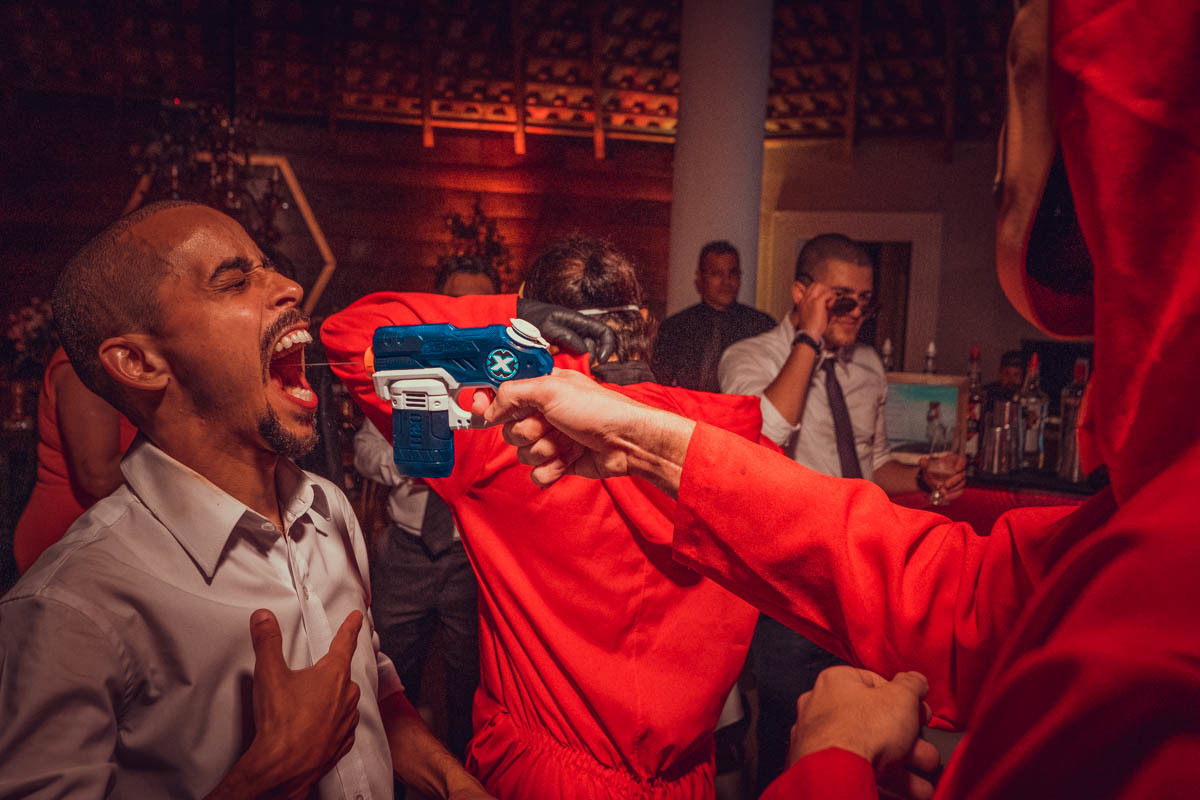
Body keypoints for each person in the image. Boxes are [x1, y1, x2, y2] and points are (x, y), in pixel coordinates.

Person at [474, 0, 1200, 795]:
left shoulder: (1166, 571)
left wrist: (831, 758)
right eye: (841, 298)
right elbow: (945, 582)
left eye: (1025, 83)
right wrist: (640, 432)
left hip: (837, 586)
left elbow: (911, 535)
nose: (1001, 154)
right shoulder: (760, 351)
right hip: (790, 583)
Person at [0, 201, 491, 799]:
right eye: (234, 280)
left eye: (269, 268)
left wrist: (453, 782)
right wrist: (269, 777)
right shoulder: (68, 609)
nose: (291, 287)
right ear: (140, 362)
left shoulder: (328, 510)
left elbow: (369, 690)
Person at [322, 235, 773, 799]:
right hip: (682, 780)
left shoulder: (502, 443)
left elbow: (348, 336)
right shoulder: (732, 448)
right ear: (644, 324)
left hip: (543, 777)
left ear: (534, 326)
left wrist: (507, 315)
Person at [717, 232, 966, 790]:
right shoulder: (749, 358)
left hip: (862, 577)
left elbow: (873, 464)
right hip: (791, 581)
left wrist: (922, 478)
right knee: (787, 734)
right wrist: (808, 338)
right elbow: (764, 435)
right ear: (801, 293)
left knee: (869, 735)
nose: (855, 313)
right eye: (841, 300)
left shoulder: (868, 366)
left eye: (865, 301)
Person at [353, 255, 497, 761]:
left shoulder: (500, 379)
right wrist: (407, 461)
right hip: (406, 552)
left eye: (479, 303)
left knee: (471, 686)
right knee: (392, 679)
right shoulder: (408, 370)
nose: (467, 313)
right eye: (458, 301)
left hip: (471, 556)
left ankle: (466, 777)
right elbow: (364, 449)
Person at [12, 346, 138, 573]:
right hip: (67, 538)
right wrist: (179, 444)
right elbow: (98, 477)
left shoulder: (124, 360)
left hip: (101, 534)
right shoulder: (83, 366)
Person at [652, 240, 775, 392]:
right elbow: (660, 385)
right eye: (717, 274)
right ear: (700, 278)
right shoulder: (675, 328)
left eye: (732, 273)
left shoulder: (761, 326)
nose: (726, 282)